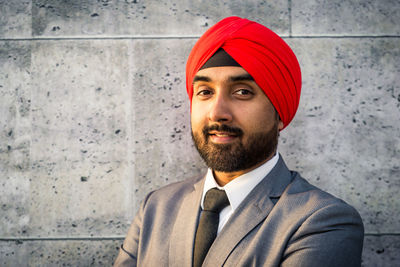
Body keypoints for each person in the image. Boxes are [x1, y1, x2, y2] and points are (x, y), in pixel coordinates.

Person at [114, 16, 364, 267]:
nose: (216, 112)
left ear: (279, 112)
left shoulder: (322, 220)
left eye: (242, 92)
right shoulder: (156, 208)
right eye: (205, 92)